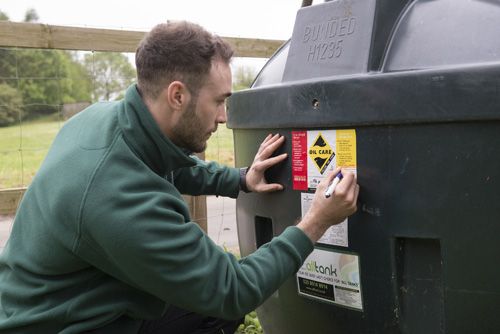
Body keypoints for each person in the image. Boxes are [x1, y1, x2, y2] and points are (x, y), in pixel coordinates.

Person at [0, 21, 359, 333]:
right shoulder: (119, 200)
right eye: (218, 101)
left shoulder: (107, 120)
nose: (223, 116)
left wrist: (239, 179)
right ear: (177, 95)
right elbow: (234, 290)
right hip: (57, 325)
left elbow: (166, 163)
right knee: (213, 306)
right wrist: (316, 221)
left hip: (63, 297)